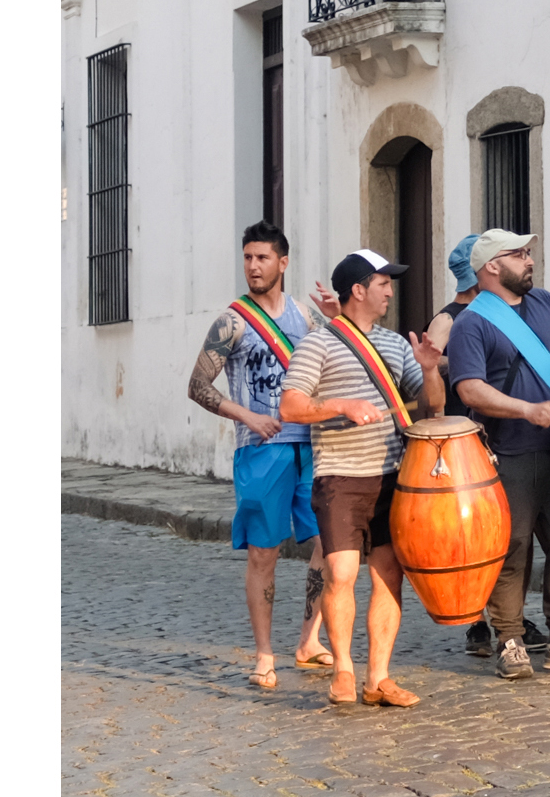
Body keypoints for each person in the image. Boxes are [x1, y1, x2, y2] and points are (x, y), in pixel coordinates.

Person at [279, 250, 444, 708]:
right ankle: (344, 672)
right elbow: (290, 407)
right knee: (342, 574)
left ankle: (379, 678)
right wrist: (341, 406)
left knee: (390, 576)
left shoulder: (394, 345)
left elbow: (432, 405)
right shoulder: (318, 344)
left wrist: (429, 367)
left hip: (393, 476)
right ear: (358, 290)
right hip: (340, 476)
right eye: (383, 283)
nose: (391, 291)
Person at [448, 229, 550, 681]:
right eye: (519, 254)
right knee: (511, 547)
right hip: (505, 452)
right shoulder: (471, 322)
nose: (530, 261)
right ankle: (509, 640)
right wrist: (525, 408)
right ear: (491, 268)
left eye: (528, 253)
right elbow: (469, 388)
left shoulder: (544, 303)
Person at [185, 221, 332, 689]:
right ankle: (265, 654)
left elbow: (341, 358)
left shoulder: (307, 318)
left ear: (282, 263)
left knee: (331, 545)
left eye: (262, 258)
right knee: (263, 554)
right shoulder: (232, 322)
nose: (253, 266)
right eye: (248, 258)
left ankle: (310, 640)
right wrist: (247, 417)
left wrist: (335, 314)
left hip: (309, 445)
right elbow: (197, 386)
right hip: (260, 451)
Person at [425, 231, 546, 659]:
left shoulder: (511, 309)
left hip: (499, 428)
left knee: (509, 536)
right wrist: (450, 361)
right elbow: (427, 373)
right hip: (467, 435)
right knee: (484, 536)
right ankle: (480, 622)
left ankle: (499, 618)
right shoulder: (452, 318)